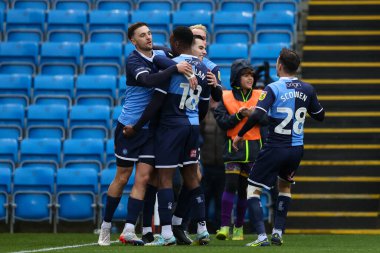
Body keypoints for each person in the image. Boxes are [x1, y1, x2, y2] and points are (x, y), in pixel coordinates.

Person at [97, 22, 195, 246]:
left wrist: (196, 68)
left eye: (149, 33)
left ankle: (129, 229)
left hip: (150, 130)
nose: (148, 37)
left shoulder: (160, 53)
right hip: (129, 127)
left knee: (143, 178)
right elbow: (147, 80)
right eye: (142, 35)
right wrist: (175, 69)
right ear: (133, 41)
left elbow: (181, 55)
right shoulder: (133, 60)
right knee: (122, 178)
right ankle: (105, 226)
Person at [124, 26, 212, 246]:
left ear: (176, 43)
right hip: (192, 127)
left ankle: (166, 234)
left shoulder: (171, 65)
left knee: (164, 179)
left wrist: (137, 125)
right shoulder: (203, 68)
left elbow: (157, 100)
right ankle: (202, 229)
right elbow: (204, 108)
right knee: (193, 177)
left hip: (171, 126)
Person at [232, 48, 325, 246]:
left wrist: (239, 135)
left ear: (280, 65)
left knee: (252, 190)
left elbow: (257, 116)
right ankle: (277, 233)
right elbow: (320, 115)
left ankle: (261, 236)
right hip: (296, 149)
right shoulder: (308, 89)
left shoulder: (272, 88)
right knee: (284, 187)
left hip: (275, 147)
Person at [213, 59, 265, 241]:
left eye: (251, 75)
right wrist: (239, 115)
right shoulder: (225, 97)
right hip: (233, 150)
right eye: (245, 75)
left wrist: (255, 116)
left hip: (254, 151)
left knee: (244, 190)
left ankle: (239, 228)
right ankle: (224, 227)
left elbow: (268, 120)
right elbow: (222, 122)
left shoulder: (261, 95)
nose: (250, 78)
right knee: (231, 185)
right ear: (236, 77)